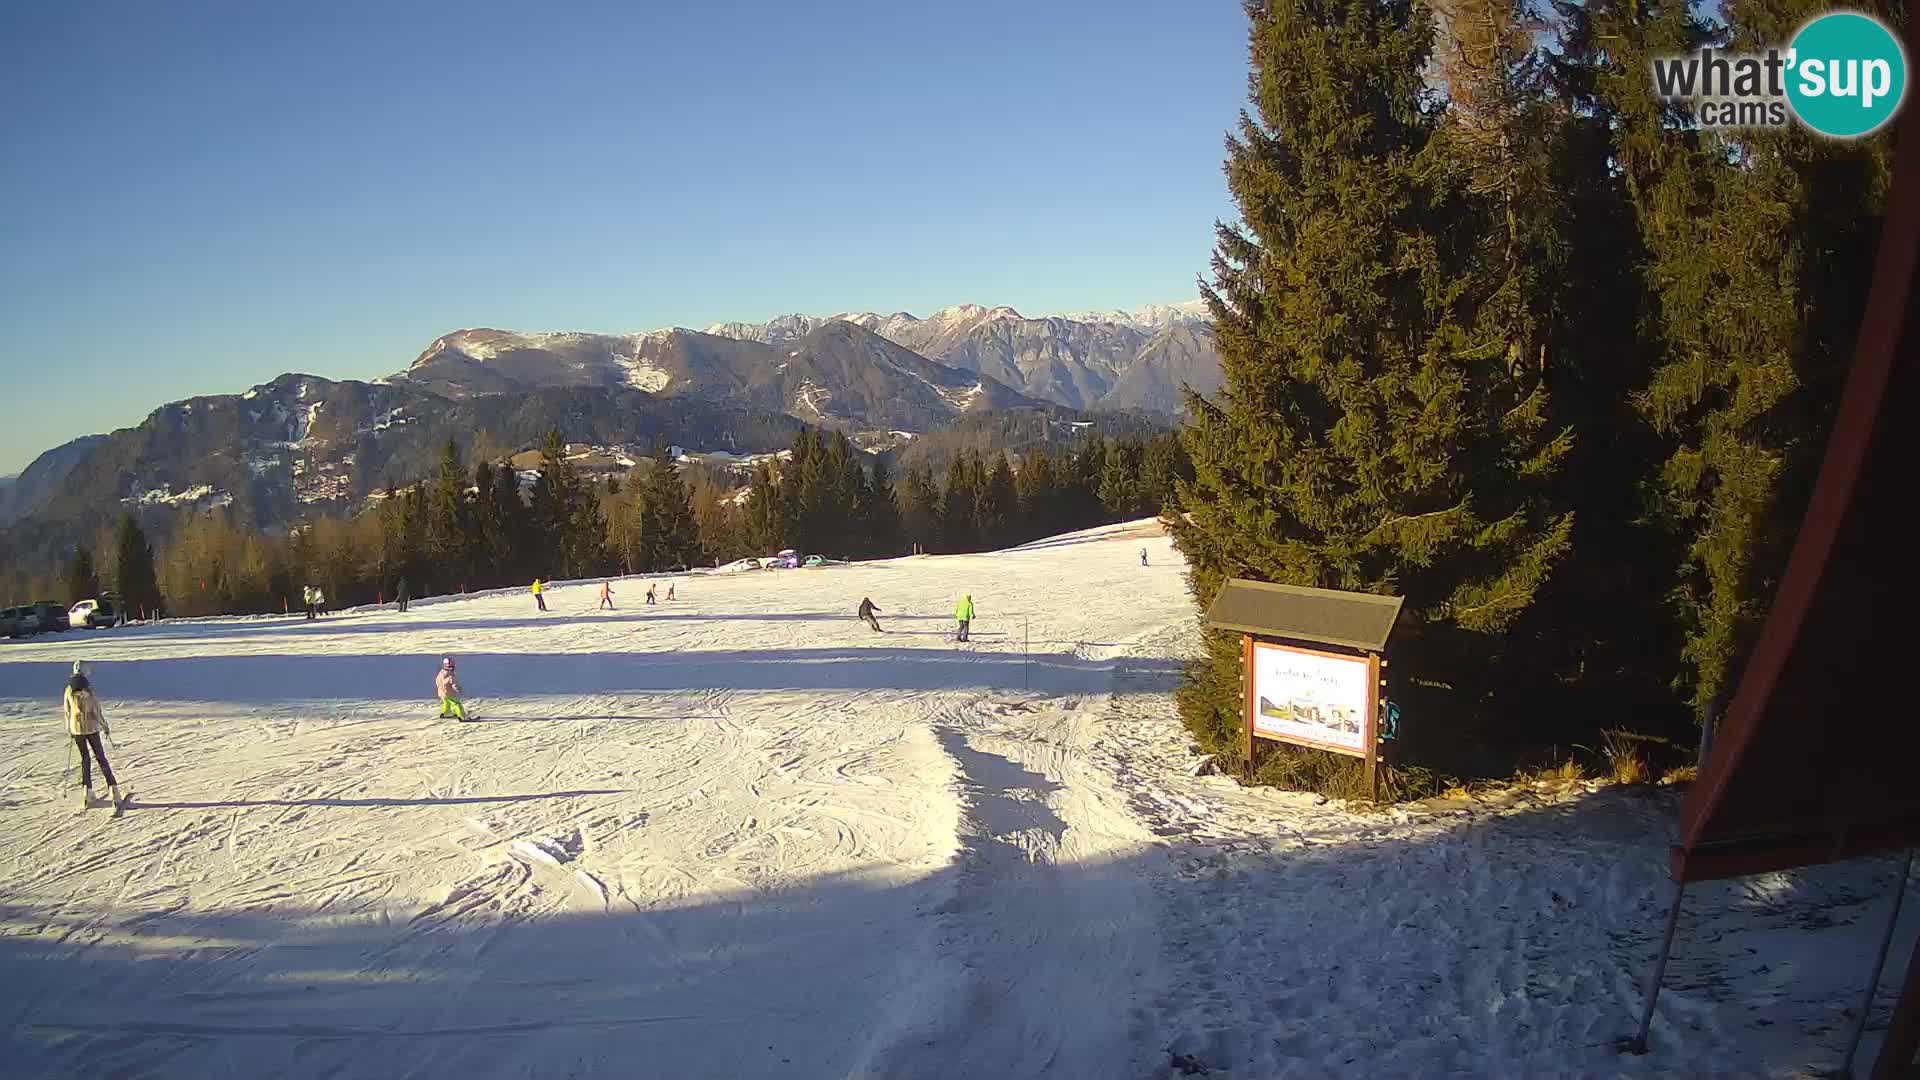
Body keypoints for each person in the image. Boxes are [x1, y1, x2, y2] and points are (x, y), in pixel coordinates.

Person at [64, 661, 122, 810]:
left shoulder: (69, 689)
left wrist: (69, 729)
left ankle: (86, 791)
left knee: (85, 758)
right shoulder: (90, 689)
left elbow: (67, 712)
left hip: (76, 729)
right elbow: (96, 710)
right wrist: (105, 726)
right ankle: (113, 789)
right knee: (100, 757)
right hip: (91, 728)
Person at [435, 657, 470, 722]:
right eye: (452, 667)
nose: (453, 669)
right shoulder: (450, 676)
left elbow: (437, 682)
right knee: (456, 704)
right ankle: (462, 716)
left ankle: (445, 713)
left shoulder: (440, 674)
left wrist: (440, 688)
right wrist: (458, 689)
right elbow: (454, 685)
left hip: (441, 693)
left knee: (446, 703)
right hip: (449, 693)